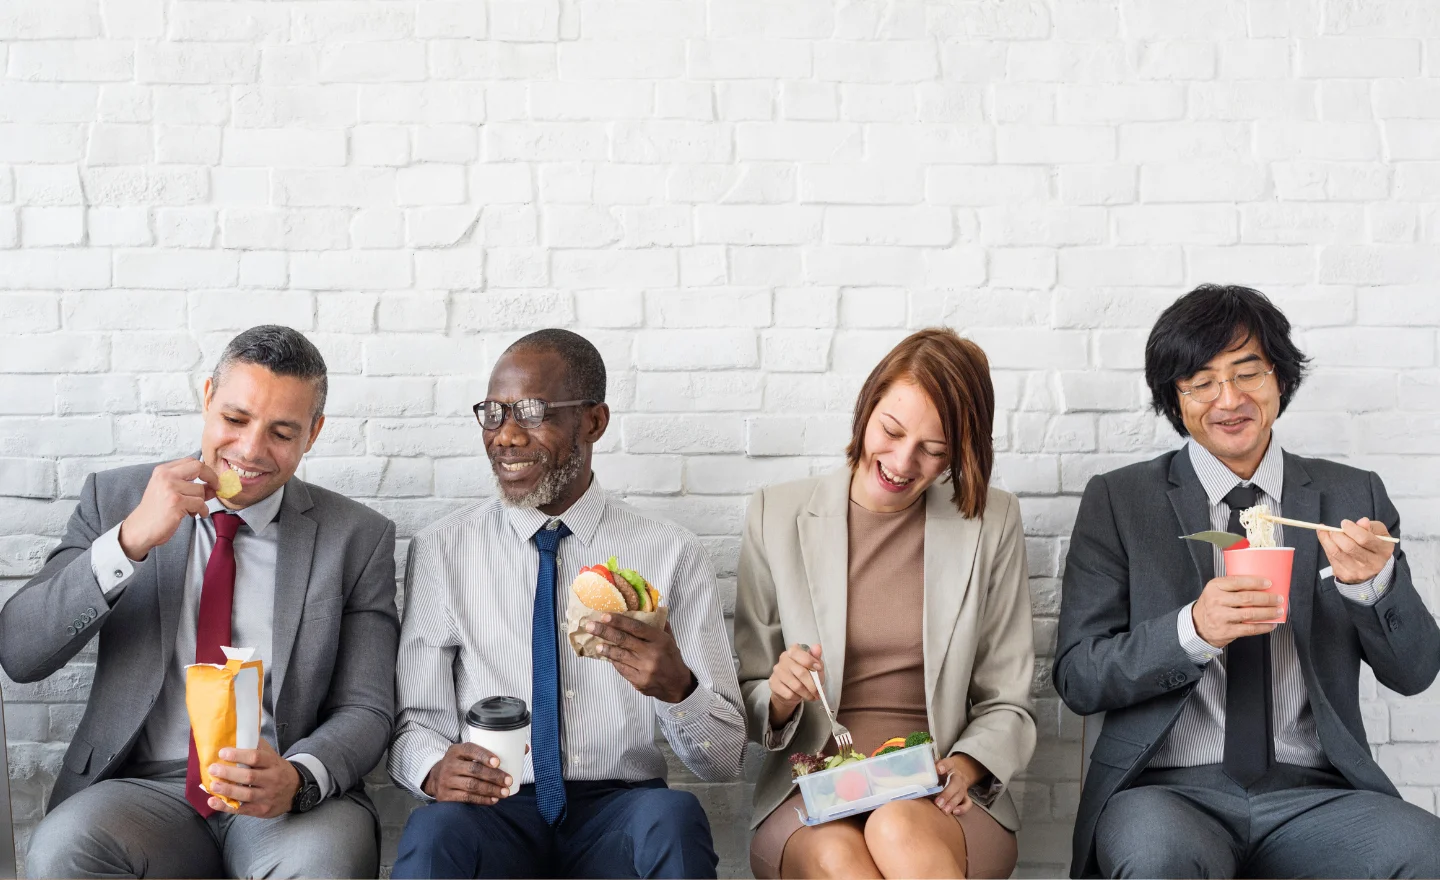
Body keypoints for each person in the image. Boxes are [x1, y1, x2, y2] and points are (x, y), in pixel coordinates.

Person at [1055, 285, 1440, 879]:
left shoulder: (1350, 495)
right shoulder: (1119, 500)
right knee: (1156, 856)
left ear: (1280, 379)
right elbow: (1080, 676)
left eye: (1247, 373)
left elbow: (1415, 673)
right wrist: (1193, 631)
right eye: (1201, 381)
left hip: (1313, 793)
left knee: (1424, 848)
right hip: (1167, 791)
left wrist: (1374, 586)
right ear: (1173, 398)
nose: (1228, 399)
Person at [1, 325, 400, 879]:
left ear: (314, 433)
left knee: (323, 866)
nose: (251, 450)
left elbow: (368, 706)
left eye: (282, 432)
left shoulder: (358, 537)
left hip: (284, 798)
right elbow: (20, 653)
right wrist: (128, 541)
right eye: (236, 420)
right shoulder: (115, 499)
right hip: (140, 789)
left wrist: (300, 776)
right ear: (207, 396)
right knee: (63, 848)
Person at [388, 328, 746, 879]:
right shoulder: (443, 549)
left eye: (532, 413)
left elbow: (724, 761)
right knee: (434, 830)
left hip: (620, 808)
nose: (506, 436)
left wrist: (679, 689)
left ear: (593, 422)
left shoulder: (670, 553)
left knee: (674, 817)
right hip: (493, 807)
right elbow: (416, 723)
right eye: (494, 414)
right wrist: (434, 768)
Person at [735, 327, 1036, 880]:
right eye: (891, 431)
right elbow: (749, 693)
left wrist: (968, 766)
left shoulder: (991, 522)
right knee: (840, 859)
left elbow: (1008, 699)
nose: (902, 462)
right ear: (867, 408)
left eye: (934, 450)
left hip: (941, 793)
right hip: (813, 792)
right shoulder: (774, 515)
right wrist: (778, 695)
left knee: (895, 826)